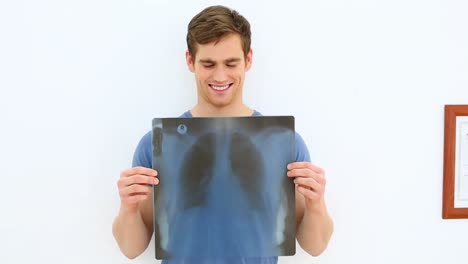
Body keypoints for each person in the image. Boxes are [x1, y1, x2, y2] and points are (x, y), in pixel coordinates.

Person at [112, 5, 333, 263]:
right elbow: (131, 249)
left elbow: (315, 246)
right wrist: (128, 208)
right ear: (189, 61)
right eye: (208, 63)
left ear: (248, 60)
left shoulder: (284, 142)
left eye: (231, 63)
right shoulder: (157, 144)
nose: (220, 76)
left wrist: (317, 202)